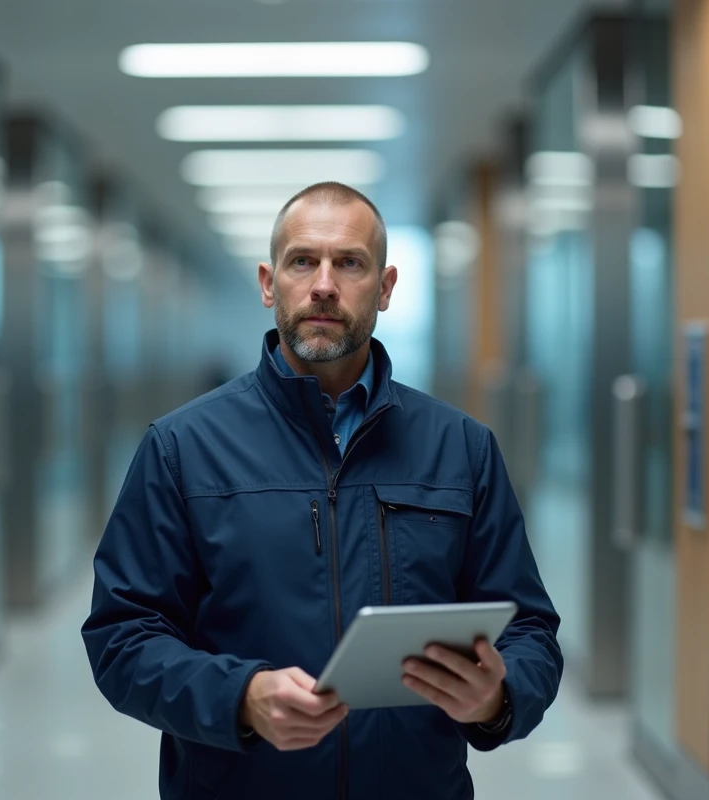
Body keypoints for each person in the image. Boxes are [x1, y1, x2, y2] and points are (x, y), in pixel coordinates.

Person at [81, 182, 562, 800]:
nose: (325, 284)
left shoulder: (461, 449)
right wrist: (242, 698)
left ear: (386, 288)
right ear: (267, 282)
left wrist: (498, 696)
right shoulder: (181, 448)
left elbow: (530, 633)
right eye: (303, 260)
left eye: (350, 263)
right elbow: (123, 638)